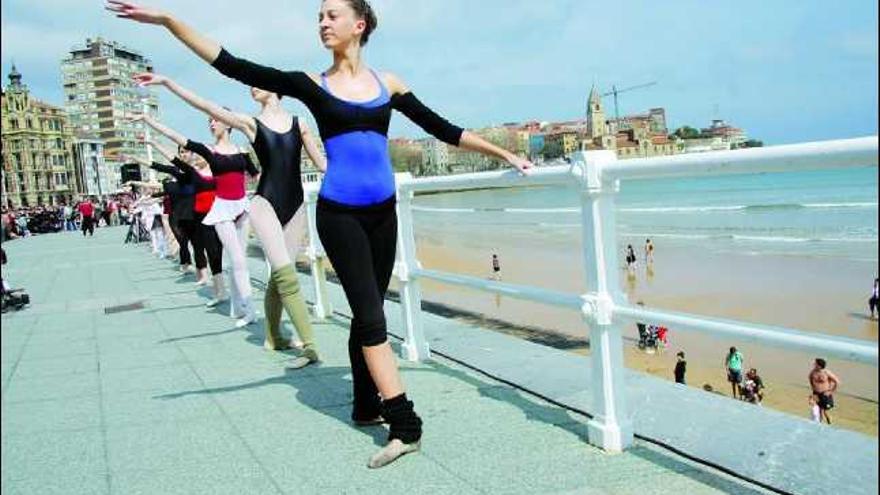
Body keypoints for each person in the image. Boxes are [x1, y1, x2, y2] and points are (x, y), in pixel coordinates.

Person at [108, 0, 533, 468]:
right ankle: (405, 424)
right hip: (340, 214)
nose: (323, 23)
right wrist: (169, 21)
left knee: (366, 307)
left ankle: (365, 405)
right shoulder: (312, 85)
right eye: (319, 17)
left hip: (383, 212)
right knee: (372, 316)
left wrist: (504, 155)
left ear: (360, 24)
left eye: (332, 15)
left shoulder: (387, 84)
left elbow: (444, 129)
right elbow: (230, 63)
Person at [133, 72, 327, 365]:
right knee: (288, 277)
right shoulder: (251, 123)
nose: (252, 85)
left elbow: (323, 164)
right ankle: (310, 345)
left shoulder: (300, 124)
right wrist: (168, 83)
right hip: (264, 205)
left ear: (277, 89)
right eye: (251, 83)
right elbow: (207, 106)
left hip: (296, 205)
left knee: (279, 276)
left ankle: (274, 336)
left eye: (258, 80)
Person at [132, 112, 259, 328]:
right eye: (208, 121)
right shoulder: (208, 151)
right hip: (219, 211)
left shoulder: (242, 151)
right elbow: (178, 139)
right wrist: (148, 121)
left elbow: (255, 176)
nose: (211, 124)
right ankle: (250, 309)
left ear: (228, 124)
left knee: (239, 261)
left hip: (242, 207)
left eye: (215, 120)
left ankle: (238, 305)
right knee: (235, 259)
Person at [809, 358, 840, 424]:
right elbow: (810, 379)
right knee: (818, 410)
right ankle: (819, 423)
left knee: (825, 411)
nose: (814, 365)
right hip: (816, 393)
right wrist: (813, 390)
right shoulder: (813, 372)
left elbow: (837, 382)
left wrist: (831, 391)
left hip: (825, 394)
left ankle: (829, 422)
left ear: (820, 366)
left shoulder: (826, 372)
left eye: (815, 364)